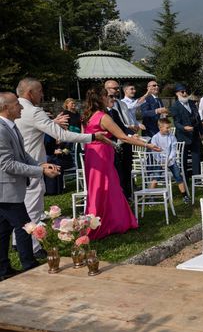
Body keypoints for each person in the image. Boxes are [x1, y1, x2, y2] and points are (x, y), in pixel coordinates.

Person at [15, 78, 103, 254]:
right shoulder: (34, 111)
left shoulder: (14, 108)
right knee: (33, 207)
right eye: (40, 91)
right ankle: (33, 247)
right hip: (34, 164)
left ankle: (18, 241)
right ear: (30, 93)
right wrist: (92, 137)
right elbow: (63, 135)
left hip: (17, 164)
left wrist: (52, 122)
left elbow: (30, 128)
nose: (42, 94)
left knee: (19, 205)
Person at [83, 88, 160, 240]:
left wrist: (109, 142)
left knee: (100, 188)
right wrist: (147, 145)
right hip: (101, 157)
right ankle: (105, 222)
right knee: (105, 188)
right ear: (102, 98)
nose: (111, 99)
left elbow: (93, 137)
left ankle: (102, 221)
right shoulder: (103, 117)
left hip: (92, 156)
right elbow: (123, 137)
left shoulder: (88, 116)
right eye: (108, 96)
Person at [0, 92, 60, 280]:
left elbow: (23, 155)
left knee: (3, 231)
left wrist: (40, 165)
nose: (21, 107)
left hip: (8, 190)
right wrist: (40, 172)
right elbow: (7, 164)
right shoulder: (1, 129)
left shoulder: (11, 126)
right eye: (17, 104)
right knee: (25, 226)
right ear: (5, 108)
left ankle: (3, 269)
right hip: (5, 190)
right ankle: (29, 264)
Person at [105, 80, 136, 199]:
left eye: (118, 89)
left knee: (126, 169)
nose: (117, 92)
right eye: (114, 89)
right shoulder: (102, 112)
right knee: (117, 173)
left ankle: (127, 195)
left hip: (125, 142)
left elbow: (122, 126)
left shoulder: (117, 108)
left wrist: (132, 134)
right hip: (112, 145)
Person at [150, 119, 190, 204]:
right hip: (160, 161)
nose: (169, 129)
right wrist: (161, 161)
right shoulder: (155, 138)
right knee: (155, 177)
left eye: (169, 127)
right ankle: (151, 196)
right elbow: (154, 152)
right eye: (167, 128)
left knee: (178, 176)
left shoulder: (171, 136)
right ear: (160, 127)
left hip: (170, 160)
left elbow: (173, 149)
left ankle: (185, 195)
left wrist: (169, 159)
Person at [170, 83, 203, 178]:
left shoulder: (192, 103)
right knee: (183, 158)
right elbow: (176, 123)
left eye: (186, 92)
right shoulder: (175, 106)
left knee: (196, 157)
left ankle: (197, 178)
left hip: (195, 134)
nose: (185, 94)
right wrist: (184, 128)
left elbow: (198, 118)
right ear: (177, 93)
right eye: (182, 92)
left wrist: (202, 132)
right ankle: (184, 178)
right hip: (183, 136)